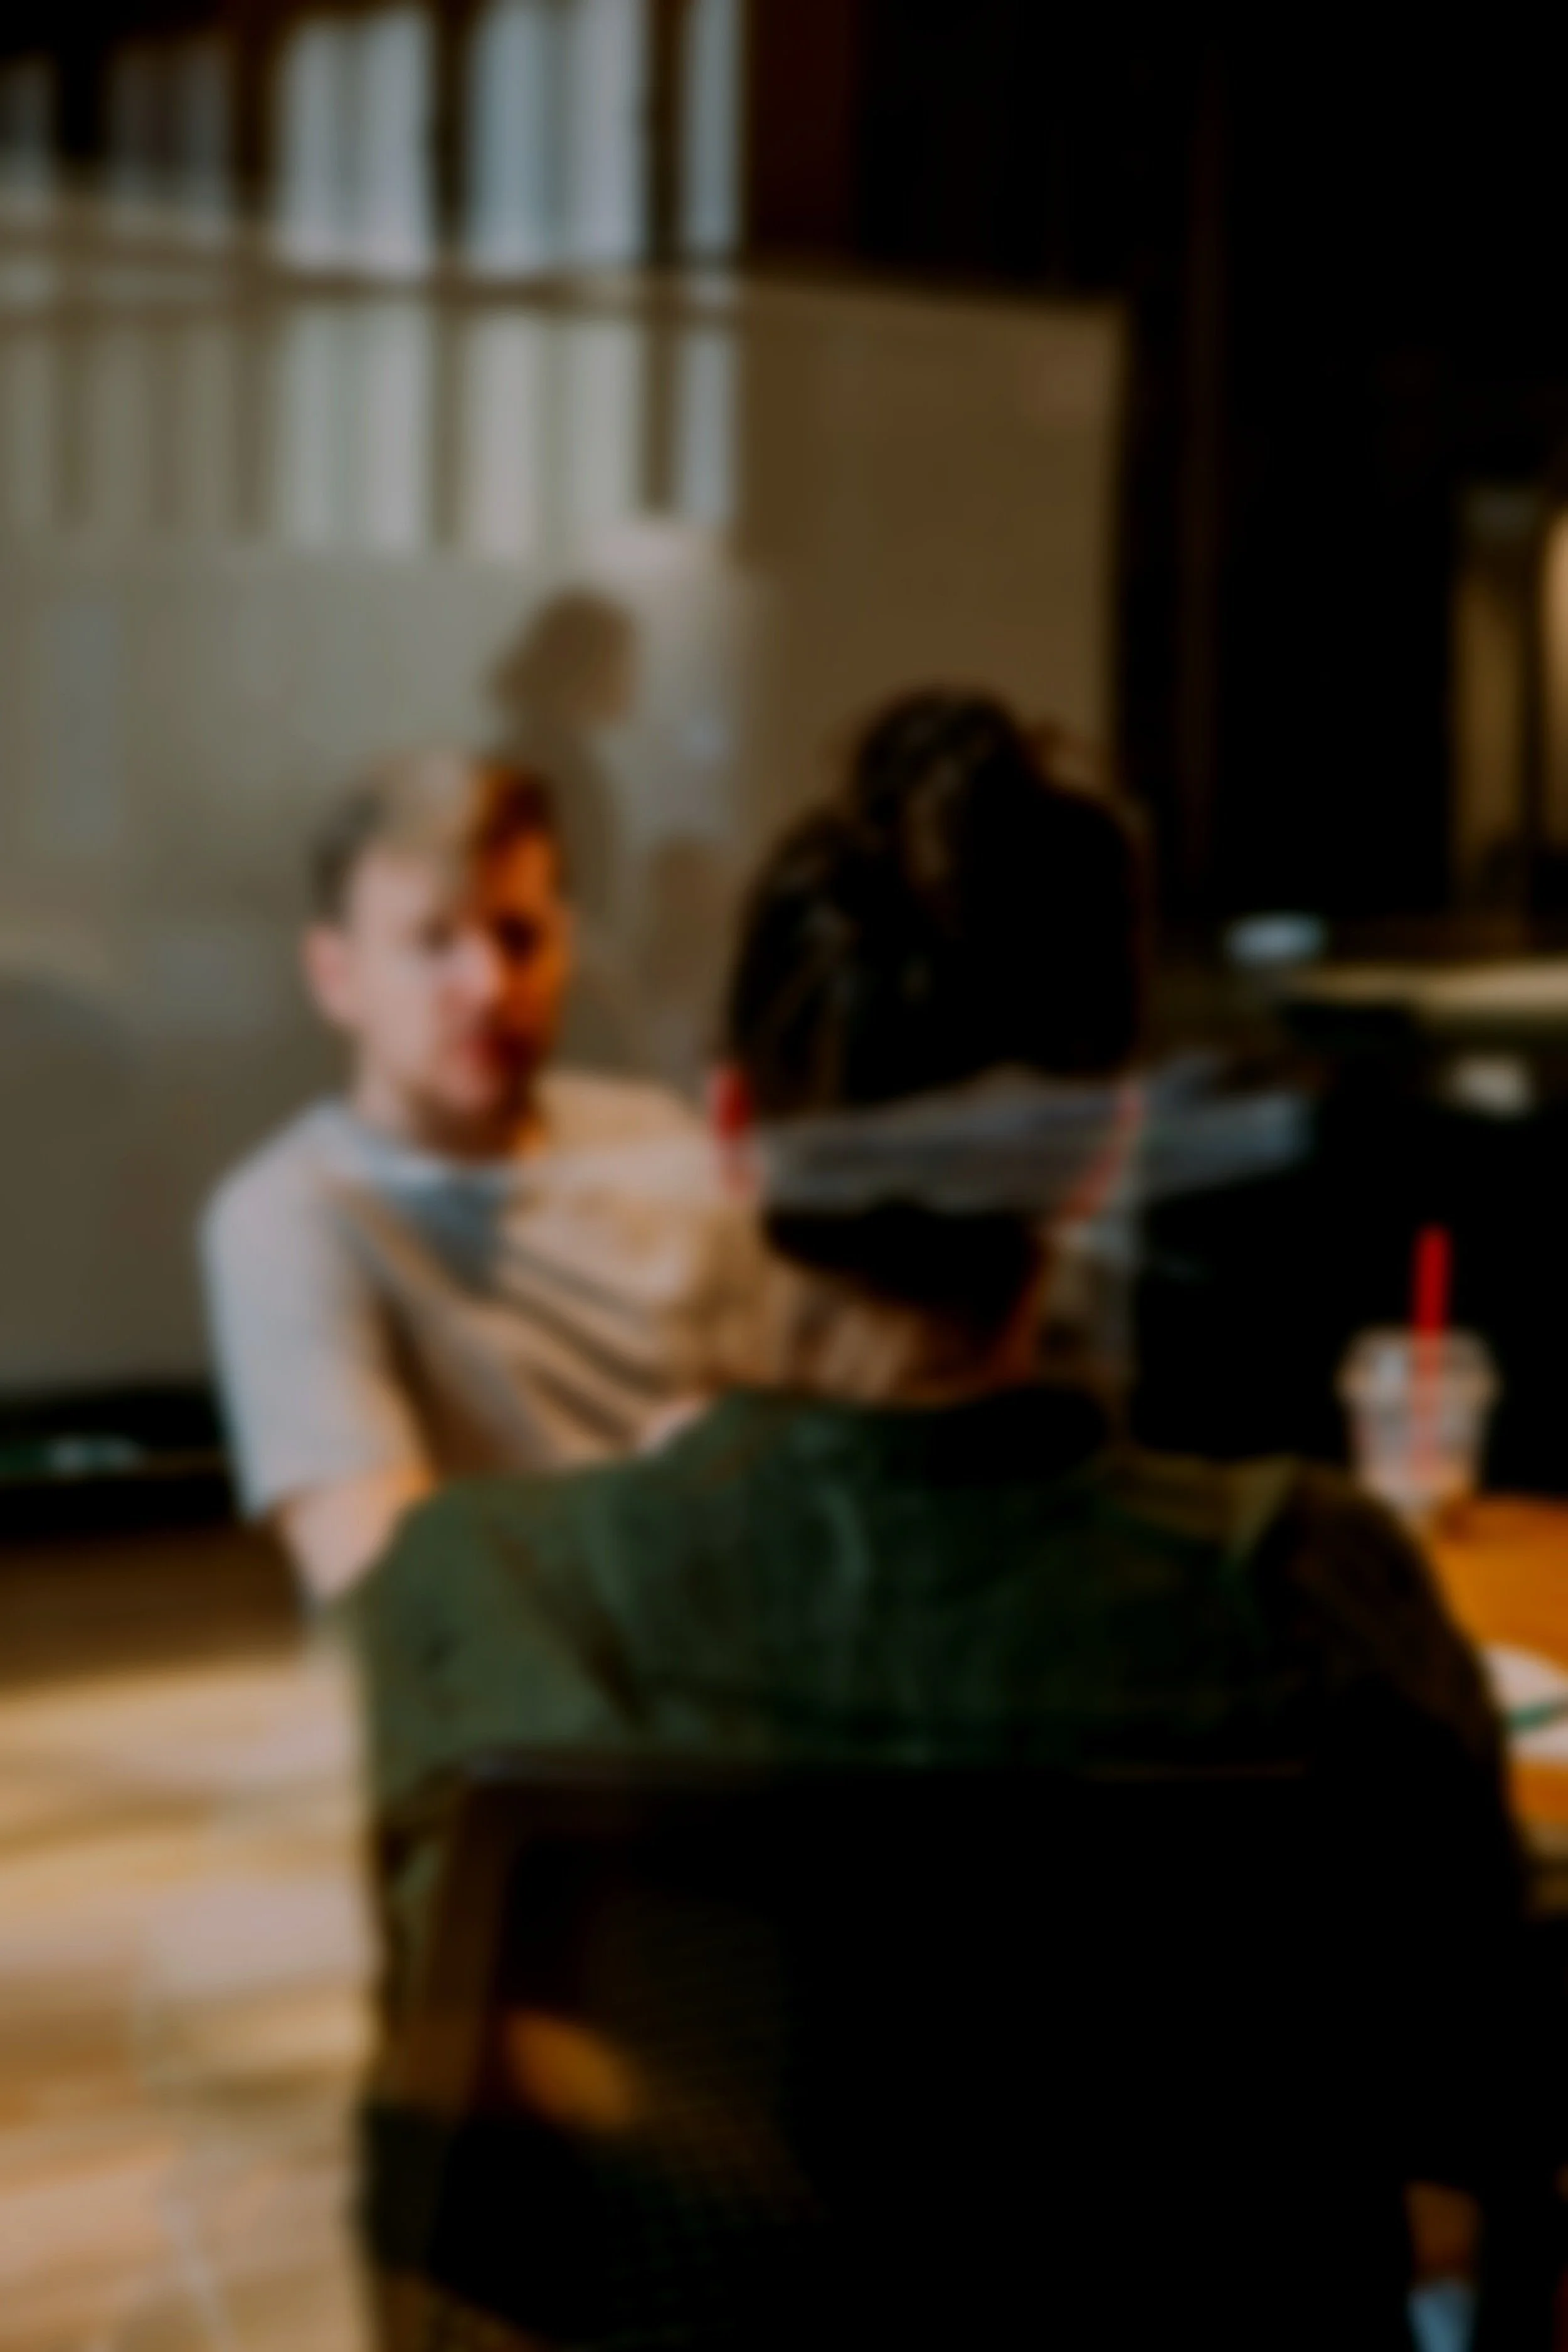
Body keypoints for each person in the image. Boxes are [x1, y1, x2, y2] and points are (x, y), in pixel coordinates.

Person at [347, 694, 1545, 2330]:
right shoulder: (1317, 1596)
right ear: (1095, 1154)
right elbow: (1483, 2132)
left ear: (732, 1132)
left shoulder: (481, 1595)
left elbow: (457, 2241)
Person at [201, 751, 728, 1606]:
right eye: (433, 941)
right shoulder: (287, 1216)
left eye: (518, 936)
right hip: (501, 1729)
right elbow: (396, 1597)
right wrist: (673, 1496)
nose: (486, 985)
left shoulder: (662, 1141)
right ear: (336, 974)